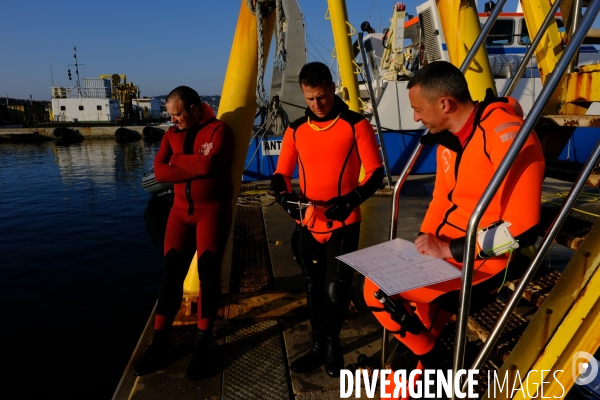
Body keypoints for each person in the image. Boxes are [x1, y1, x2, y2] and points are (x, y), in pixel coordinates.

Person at [363, 61, 545, 375]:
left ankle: (434, 359)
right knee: (404, 350)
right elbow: (440, 202)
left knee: (374, 288)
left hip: (483, 267)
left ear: (445, 104)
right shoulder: (450, 140)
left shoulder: (505, 134)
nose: (415, 117)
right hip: (443, 258)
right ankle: (425, 361)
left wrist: (448, 250)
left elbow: (523, 231)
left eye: (418, 109)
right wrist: (418, 248)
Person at [271, 61, 384, 378]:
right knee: (312, 288)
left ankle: (332, 345)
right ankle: (318, 347)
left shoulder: (355, 124)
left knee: (336, 290)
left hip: (343, 221)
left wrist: (351, 200)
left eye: (321, 96)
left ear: (332, 88)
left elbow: (375, 173)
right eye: (310, 99)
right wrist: (286, 201)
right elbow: (280, 175)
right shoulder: (296, 130)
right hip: (308, 223)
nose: (317, 105)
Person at [132, 86, 235, 380]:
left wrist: (176, 162)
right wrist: (194, 166)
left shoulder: (219, 131)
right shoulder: (170, 135)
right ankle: (160, 343)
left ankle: (203, 345)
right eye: (170, 115)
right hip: (179, 214)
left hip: (211, 214)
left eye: (177, 114)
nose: (173, 120)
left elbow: (211, 164)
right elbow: (159, 172)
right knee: (170, 277)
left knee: (208, 278)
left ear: (192, 108)